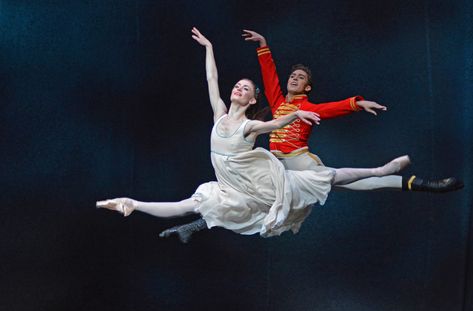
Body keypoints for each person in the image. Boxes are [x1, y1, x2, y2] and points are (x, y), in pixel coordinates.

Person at [97, 28, 410, 238]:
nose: (238, 87)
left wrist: (345, 105)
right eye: (238, 85)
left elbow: (281, 122)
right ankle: (134, 204)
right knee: (195, 202)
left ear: (251, 99)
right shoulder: (222, 112)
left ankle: (382, 170)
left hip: (277, 171)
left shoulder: (252, 124)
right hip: (240, 184)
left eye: (245, 88)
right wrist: (210, 47)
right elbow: (213, 78)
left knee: (326, 178)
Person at [158, 29, 464, 243]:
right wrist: (263, 45)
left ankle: (424, 184)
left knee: (357, 184)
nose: (294, 78)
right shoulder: (277, 102)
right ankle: (196, 225)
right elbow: (269, 76)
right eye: (293, 75)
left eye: (300, 78)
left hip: (300, 163)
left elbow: (334, 108)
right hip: (274, 167)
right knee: (243, 203)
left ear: (306, 88)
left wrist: (358, 103)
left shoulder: (309, 106)